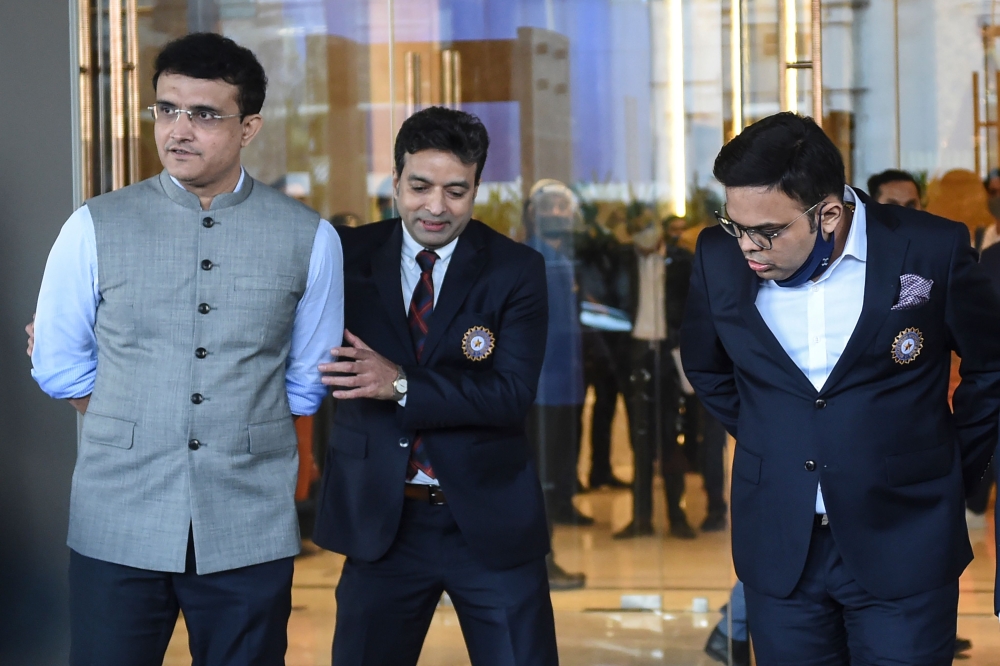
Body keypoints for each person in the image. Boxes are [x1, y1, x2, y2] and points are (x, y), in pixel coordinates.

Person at [28, 33, 343, 665]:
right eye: (166, 109)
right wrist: (132, 413)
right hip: (117, 514)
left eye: (204, 114)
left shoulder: (308, 237)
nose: (179, 129)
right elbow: (58, 360)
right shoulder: (93, 224)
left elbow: (309, 378)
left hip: (247, 521)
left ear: (249, 126)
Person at [681, 112, 1000, 664]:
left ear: (828, 213)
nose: (748, 247)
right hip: (781, 550)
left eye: (768, 231)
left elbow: (992, 365)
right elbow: (707, 368)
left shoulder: (931, 248)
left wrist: (953, 467)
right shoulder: (716, 256)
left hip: (906, 537)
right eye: (736, 224)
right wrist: (780, 439)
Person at [312, 106, 558, 665]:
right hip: (382, 522)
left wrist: (401, 384)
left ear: (476, 188)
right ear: (395, 181)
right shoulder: (341, 257)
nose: (436, 207)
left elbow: (510, 394)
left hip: (489, 521)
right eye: (420, 186)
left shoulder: (515, 269)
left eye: (456, 190)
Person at [614, 214, 696, 540]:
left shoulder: (680, 262)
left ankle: (677, 515)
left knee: (670, 439)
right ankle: (641, 517)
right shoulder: (624, 262)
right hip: (636, 353)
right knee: (640, 440)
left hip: (668, 352)